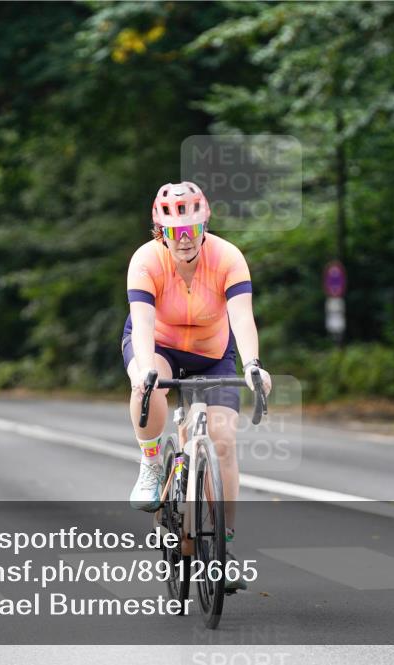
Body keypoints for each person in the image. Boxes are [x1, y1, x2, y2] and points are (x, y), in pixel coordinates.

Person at [123, 181, 272, 591]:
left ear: (204, 225)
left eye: (192, 230)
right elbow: (143, 324)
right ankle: (152, 462)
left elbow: (242, 318)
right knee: (147, 385)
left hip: (212, 354)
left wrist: (254, 365)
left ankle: (223, 548)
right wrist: (144, 371)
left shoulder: (228, 257)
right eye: (175, 232)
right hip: (160, 344)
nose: (184, 240)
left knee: (222, 439)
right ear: (161, 231)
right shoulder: (145, 261)